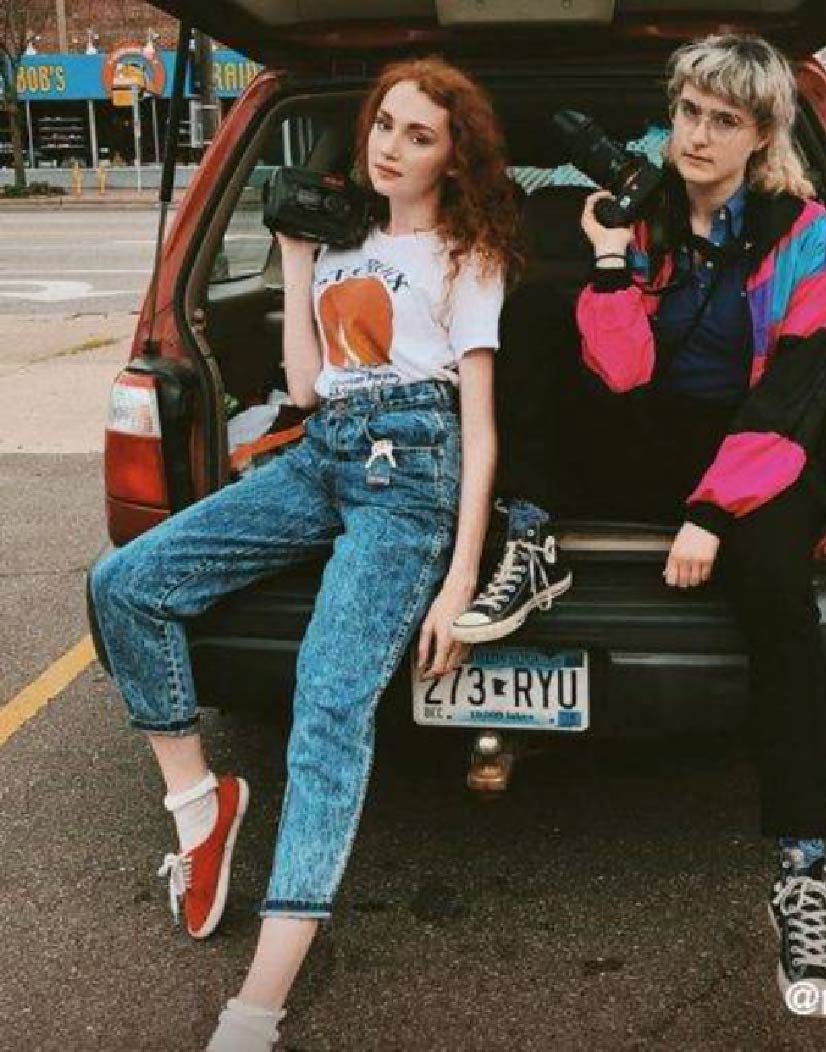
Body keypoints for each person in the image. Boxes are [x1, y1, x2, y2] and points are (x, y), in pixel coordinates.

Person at [89, 57, 520, 1051]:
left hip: (412, 469)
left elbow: (481, 431)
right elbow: (309, 386)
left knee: (329, 698)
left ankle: (259, 1002)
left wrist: (457, 580)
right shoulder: (341, 246)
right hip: (322, 451)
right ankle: (202, 806)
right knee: (126, 584)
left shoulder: (467, 253)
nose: (390, 145)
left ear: (454, 160)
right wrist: (293, 257)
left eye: (420, 135)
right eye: (384, 124)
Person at [452, 34, 826, 1009]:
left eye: (725, 119)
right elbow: (621, 373)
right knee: (537, 314)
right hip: (651, 435)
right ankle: (534, 533)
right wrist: (602, 264)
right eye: (689, 113)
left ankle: (801, 872)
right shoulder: (643, 217)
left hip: (755, 450)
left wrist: (712, 516)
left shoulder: (803, 233)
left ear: (761, 134)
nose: (700, 135)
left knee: (777, 599)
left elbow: (793, 393)